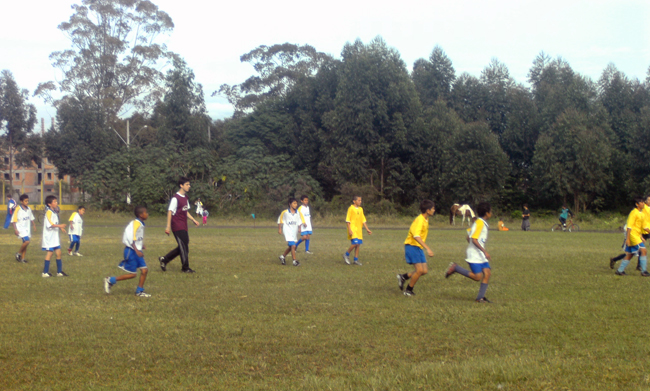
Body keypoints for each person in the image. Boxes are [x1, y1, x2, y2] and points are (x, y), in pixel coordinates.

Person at [445, 202, 494, 303]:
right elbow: (474, 239)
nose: (491, 213)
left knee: (487, 273)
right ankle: (456, 268)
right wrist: (484, 251)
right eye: (490, 211)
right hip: (475, 254)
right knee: (477, 277)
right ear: (487, 213)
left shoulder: (479, 222)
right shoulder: (480, 223)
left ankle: (480, 297)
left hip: (479, 254)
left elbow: (468, 236)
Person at [104, 206, 151, 297]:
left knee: (144, 270)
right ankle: (110, 280)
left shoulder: (139, 223)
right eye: (146, 212)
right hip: (131, 251)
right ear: (141, 215)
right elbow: (131, 237)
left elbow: (136, 237)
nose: (147, 214)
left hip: (136, 250)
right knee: (133, 274)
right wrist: (137, 250)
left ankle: (139, 291)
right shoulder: (136, 224)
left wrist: (141, 245)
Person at [159, 177, 200, 273]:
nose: (189, 186)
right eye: (187, 184)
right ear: (181, 186)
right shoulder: (175, 198)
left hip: (184, 225)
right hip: (177, 225)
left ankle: (164, 259)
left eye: (189, 184)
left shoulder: (186, 198)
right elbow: (170, 212)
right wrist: (168, 226)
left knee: (184, 245)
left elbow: (186, 211)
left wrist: (193, 220)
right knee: (184, 246)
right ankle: (185, 268)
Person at [397, 200, 435, 296]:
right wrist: (428, 248)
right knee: (419, 270)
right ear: (428, 210)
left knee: (424, 271)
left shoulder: (426, 219)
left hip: (418, 247)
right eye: (433, 208)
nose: (434, 210)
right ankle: (408, 290)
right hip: (412, 246)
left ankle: (403, 277)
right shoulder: (419, 220)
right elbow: (416, 236)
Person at [615, 197, 650, 276]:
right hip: (632, 236)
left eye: (643, 202)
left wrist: (641, 236)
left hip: (637, 235)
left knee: (631, 254)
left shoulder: (642, 214)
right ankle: (644, 271)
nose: (643, 203)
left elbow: (644, 227)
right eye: (641, 202)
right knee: (643, 251)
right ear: (637, 204)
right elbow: (629, 227)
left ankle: (620, 270)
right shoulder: (633, 213)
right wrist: (627, 239)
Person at [41, 195, 68, 278]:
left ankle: (59, 272)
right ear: (49, 204)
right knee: (50, 253)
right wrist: (60, 226)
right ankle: (45, 272)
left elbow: (55, 223)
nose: (56, 203)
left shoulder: (54, 212)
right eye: (55, 202)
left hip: (54, 237)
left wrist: (61, 228)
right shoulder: (48, 212)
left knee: (59, 253)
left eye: (56, 201)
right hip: (49, 237)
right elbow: (50, 225)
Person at [344, 196, 372, 266]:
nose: (360, 202)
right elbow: (347, 220)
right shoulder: (351, 209)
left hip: (359, 230)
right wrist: (349, 229)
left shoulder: (361, 209)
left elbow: (363, 220)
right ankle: (346, 254)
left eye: (360, 200)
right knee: (355, 243)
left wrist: (367, 229)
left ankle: (356, 260)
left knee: (358, 245)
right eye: (359, 200)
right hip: (352, 229)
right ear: (354, 201)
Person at [278, 198, 303, 266]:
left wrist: (299, 228)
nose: (296, 205)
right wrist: (279, 229)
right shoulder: (285, 212)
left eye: (296, 203)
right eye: (294, 203)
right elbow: (280, 221)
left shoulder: (298, 213)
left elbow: (299, 221)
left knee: (291, 247)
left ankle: (282, 256)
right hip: (287, 231)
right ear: (290, 204)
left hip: (294, 232)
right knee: (293, 245)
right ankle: (294, 261)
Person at [12, 194, 35, 263]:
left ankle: (22, 259)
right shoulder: (18, 209)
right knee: (27, 241)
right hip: (20, 229)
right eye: (25, 201)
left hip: (27, 229)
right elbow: (14, 221)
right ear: (21, 201)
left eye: (27, 201)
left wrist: (34, 225)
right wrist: (15, 229)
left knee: (25, 243)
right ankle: (18, 253)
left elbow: (31, 218)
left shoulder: (29, 209)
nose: (27, 202)